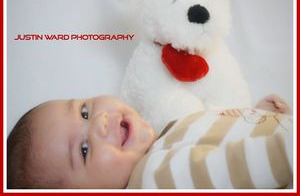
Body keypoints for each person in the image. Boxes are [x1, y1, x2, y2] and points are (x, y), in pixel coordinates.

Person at [7, 95, 292, 189]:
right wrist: (284, 148)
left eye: (84, 112)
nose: (98, 122)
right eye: (83, 150)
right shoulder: (156, 178)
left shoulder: (161, 144)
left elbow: (219, 150)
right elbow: (232, 170)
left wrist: (258, 116)